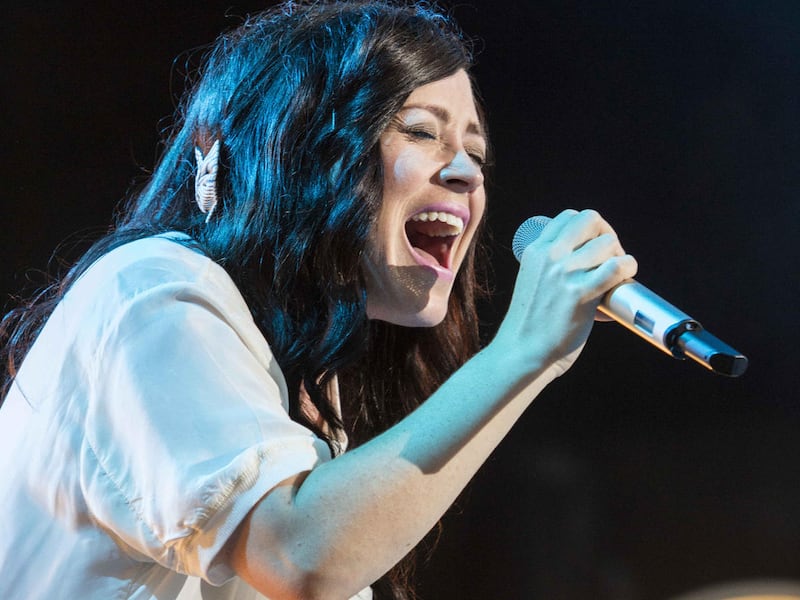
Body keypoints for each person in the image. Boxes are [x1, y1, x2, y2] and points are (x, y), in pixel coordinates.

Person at [0, 1, 637, 599]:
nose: (468, 172)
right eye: (420, 131)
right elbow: (296, 555)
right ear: (294, 146)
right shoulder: (150, 292)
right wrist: (524, 350)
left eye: (475, 152)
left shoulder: (301, 385)